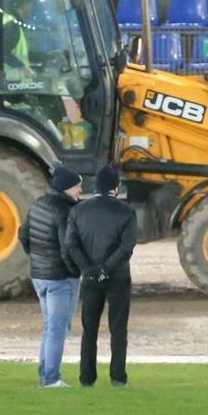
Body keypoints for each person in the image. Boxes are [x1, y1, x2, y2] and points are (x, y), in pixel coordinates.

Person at [63, 164, 137, 388]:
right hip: (118, 276)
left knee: (89, 329)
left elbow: (71, 245)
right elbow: (126, 246)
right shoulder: (126, 211)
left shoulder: (78, 211)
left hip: (91, 277)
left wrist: (89, 269)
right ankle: (117, 376)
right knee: (118, 328)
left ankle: (87, 377)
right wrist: (106, 268)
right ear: (116, 187)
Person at [18, 166, 83, 387]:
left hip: (39, 276)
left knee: (50, 326)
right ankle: (51, 378)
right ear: (67, 188)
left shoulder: (37, 205)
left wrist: (37, 258)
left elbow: (23, 235)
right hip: (60, 278)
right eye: (77, 187)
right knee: (58, 328)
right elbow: (68, 247)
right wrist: (75, 271)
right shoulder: (64, 210)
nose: (80, 191)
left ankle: (45, 374)